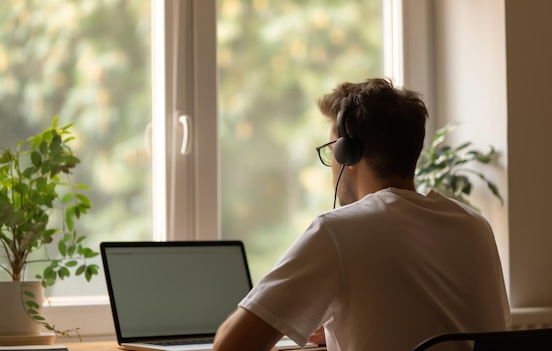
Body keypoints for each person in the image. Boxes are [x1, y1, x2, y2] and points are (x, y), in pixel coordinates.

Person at [212, 78, 511, 351]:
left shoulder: (337, 231)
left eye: (332, 149)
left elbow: (229, 346)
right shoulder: (475, 226)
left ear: (348, 154)